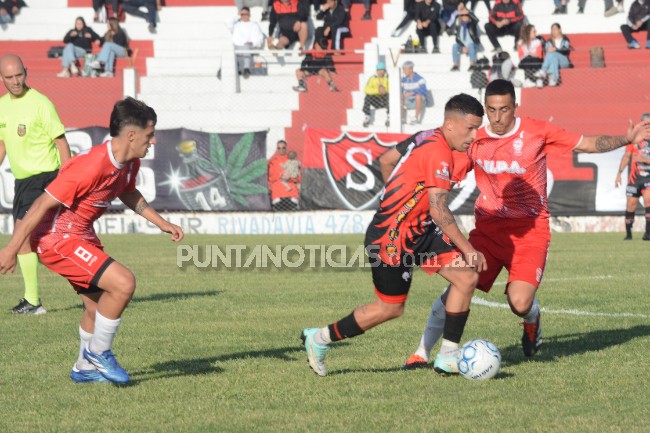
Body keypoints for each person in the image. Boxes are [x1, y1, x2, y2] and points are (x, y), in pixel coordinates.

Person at [402, 79, 650, 371]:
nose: (497, 118)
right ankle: (421, 351)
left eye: (504, 109)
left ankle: (532, 320)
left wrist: (625, 139)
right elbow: (445, 176)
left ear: (515, 107)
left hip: (531, 230)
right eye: (491, 110)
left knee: (519, 303)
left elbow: (587, 144)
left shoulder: (538, 131)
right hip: (489, 229)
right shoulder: (474, 138)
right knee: (459, 284)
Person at [300, 94, 487, 377]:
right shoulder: (437, 150)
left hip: (421, 230)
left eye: (478, 129)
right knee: (389, 309)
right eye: (470, 128)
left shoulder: (427, 137)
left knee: (466, 277)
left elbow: (387, 160)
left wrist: (401, 198)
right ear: (450, 124)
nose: (474, 136)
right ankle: (320, 338)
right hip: (390, 239)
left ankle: (448, 356)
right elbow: (439, 209)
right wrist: (469, 249)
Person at [0, 97, 184, 384]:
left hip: (81, 234)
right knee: (124, 283)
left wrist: (162, 223)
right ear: (131, 135)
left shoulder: (130, 161)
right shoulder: (89, 165)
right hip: (57, 238)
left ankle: (84, 367)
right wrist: (11, 249)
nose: (154, 141)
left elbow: (127, 192)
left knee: (96, 307)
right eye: (150, 135)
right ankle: (99, 352)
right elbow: (39, 206)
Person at [0, 54, 71, 315]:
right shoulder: (2, 106)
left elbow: (61, 143)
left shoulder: (41, 103)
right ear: (2, 78)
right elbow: (3, 144)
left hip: (44, 177)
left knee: (21, 237)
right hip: (23, 181)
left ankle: (33, 301)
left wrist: (67, 180)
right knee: (35, 241)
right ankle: (33, 301)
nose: (15, 81)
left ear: (26, 71)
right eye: (9, 77)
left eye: (19, 75)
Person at [615, 112, 650, 240]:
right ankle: (628, 234)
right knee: (631, 205)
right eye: (644, 124)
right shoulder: (635, 140)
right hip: (634, 179)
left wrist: (646, 160)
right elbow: (627, 157)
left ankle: (648, 233)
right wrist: (619, 173)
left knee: (648, 202)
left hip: (648, 178)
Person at [229, 7, 265, 79]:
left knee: (246, 46)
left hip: (249, 47)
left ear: (249, 15)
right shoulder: (236, 25)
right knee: (228, 48)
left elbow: (260, 38)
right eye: (242, 14)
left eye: (246, 14)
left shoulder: (254, 25)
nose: (244, 16)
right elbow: (227, 23)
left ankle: (246, 69)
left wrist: (253, 43)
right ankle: (222, 70)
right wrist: (236, 15)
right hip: (236, 47)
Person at [534, 23, 572, 88]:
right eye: (552, 29)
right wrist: (551, 50)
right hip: (554, 60)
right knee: (552, 55)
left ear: (559, 29)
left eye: (555, 29)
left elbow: (565, 50)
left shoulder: (565, 39)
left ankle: (543, 70)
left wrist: (555, 49)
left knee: (552, 53)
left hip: (564, 61)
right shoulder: (549, 41)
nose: (553, 31)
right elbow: (547, 51)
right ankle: (552, 79)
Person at [268, 140, 300, 211]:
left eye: (283, 148)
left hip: (291, 191)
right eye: (279, 148)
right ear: (277, 149)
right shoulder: (273, 162)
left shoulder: (292, 161)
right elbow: (271, 178)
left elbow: (298, 177)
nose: (281, 150)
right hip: (278, 192)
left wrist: (290, 177)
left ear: (286, 148)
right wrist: (281, 176)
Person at [451, 5, 480, 71]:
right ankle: (455, 65)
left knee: (470, 45)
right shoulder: (459, 26)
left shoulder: (472, 25)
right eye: (462, 15)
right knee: (455, 46)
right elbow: (457, 39)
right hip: (463, 46)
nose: (464, 16)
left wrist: (468, 12)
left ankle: (472, 64)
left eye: (466, 15)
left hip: (473, 45)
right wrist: (463, 46)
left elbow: (476, 20)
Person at [362, 62, 390, 128]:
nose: (380, 72)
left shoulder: (388, 78)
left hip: (385, 99)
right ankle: (367, 116)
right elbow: (366, 89)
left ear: (384, 71)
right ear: (376, 71)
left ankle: (389, 117)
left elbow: (392, 88)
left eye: (382, 70)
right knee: (368, 96)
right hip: (376, 101)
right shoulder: (372, 78)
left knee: (389, 96)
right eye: (379, 70)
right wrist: (378, 91)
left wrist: (385, 90)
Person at [401, 60, 428, 125]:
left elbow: (424, 91)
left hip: (418, 100)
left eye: (404, 69)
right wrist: (404, 94)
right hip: (407, 99)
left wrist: (413, 92)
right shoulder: (403, 80)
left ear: (410, 69)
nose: (403, 71)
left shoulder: (420, 79)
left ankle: (416, 118)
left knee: (418, 96)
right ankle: (402, 118)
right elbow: (400, 91)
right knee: (400, 96)